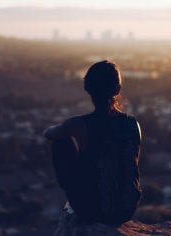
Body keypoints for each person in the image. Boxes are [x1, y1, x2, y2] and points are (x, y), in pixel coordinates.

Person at [44, 60, 142, 232]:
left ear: (88, 88)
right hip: (126, 209)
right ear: (117, 89)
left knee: (61, 142)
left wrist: (68, 128)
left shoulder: (79, 124)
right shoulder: (133, 124)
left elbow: (49, 133)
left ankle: (81, 196)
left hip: (90, 210)